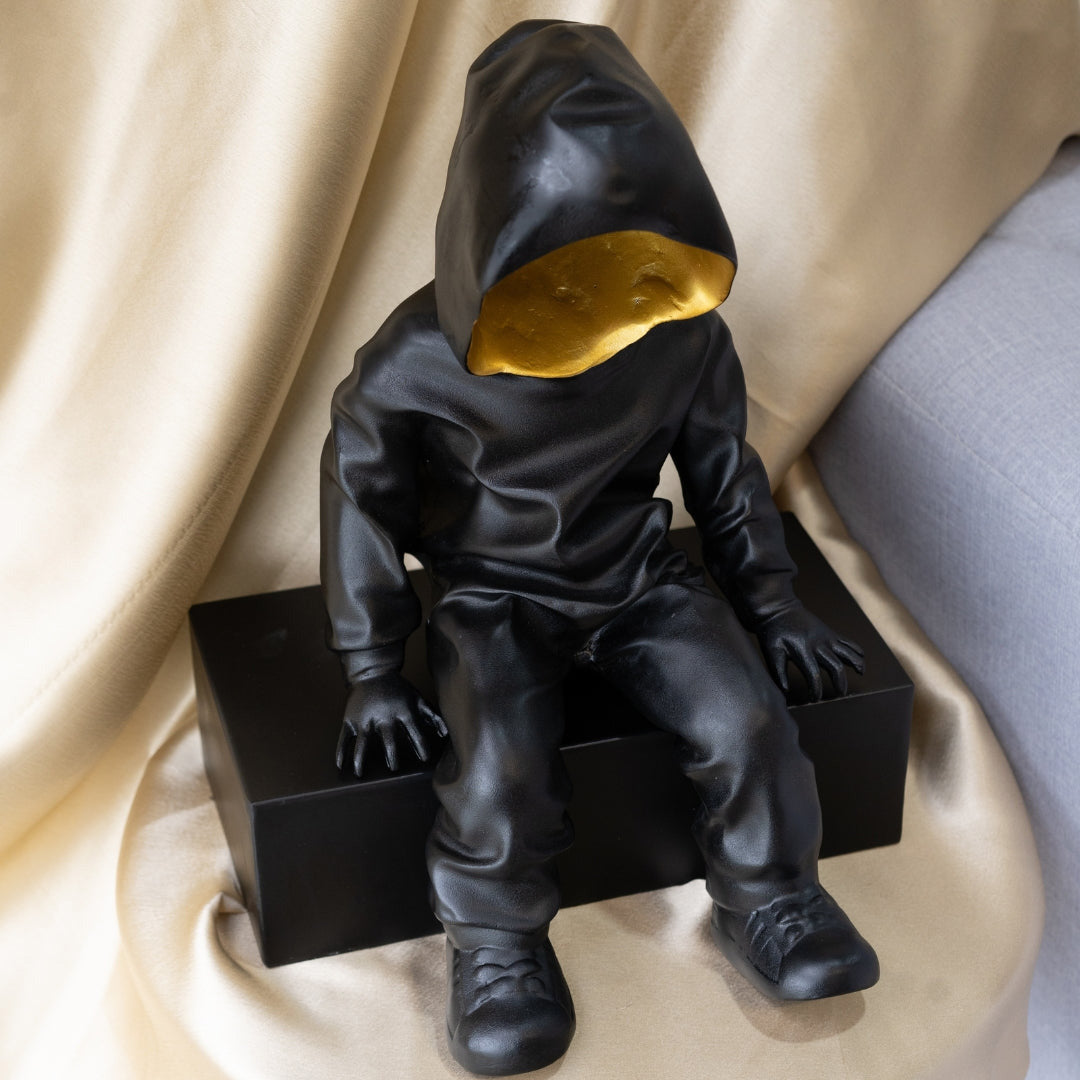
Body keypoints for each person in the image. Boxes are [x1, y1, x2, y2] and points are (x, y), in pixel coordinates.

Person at [321, 20, 877, 1076]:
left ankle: (773, 898)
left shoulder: (686, 336)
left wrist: (773, 607)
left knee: (749, 720)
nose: (605, 311)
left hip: (638, 576)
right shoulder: (412, 363)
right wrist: (371, 669)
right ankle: (497, 944)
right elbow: (357, 499)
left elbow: (724, 477)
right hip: (492, 592)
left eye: (631, 266)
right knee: (497, 768)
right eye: (566, 276)